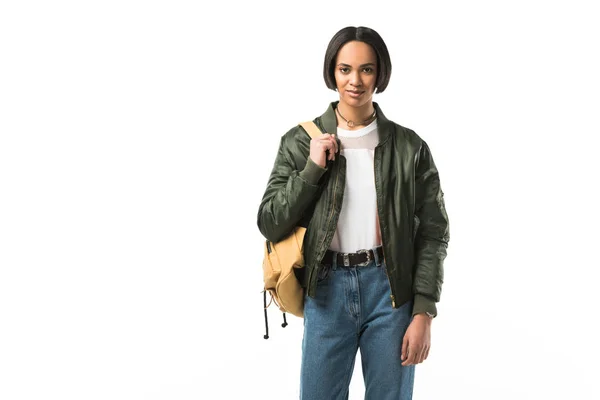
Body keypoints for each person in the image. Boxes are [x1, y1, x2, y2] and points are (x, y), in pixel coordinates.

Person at [256, 26, 450, 400]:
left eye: (366, 69)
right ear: (332, 72)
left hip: (391, 291)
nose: (355, 80)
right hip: (326, 289)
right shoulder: (300, 141)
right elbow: (269, 220)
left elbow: (434, 232)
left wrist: (424, 310)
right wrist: (312, 169)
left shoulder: (409, 147)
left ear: (380, 74)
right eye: (345, 69)